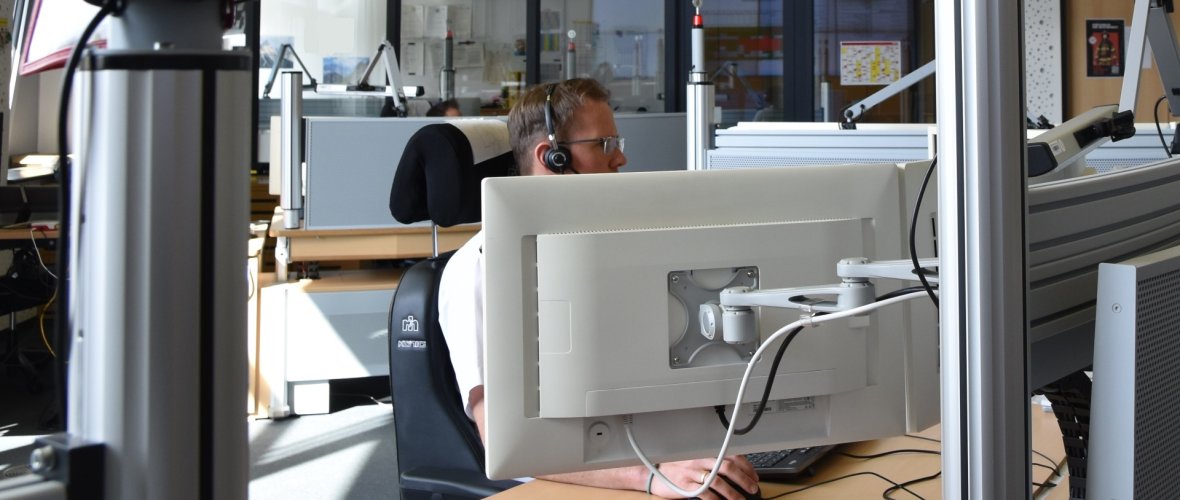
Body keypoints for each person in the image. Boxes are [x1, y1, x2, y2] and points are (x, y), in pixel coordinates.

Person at [438, 78, 760, 500]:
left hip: (662, 458)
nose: (621, 157)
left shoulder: (622, 247)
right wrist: (650, 475)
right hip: (572, 480)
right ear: (551, 157)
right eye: (605, 144)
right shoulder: (477, 269)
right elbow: (502, 439)